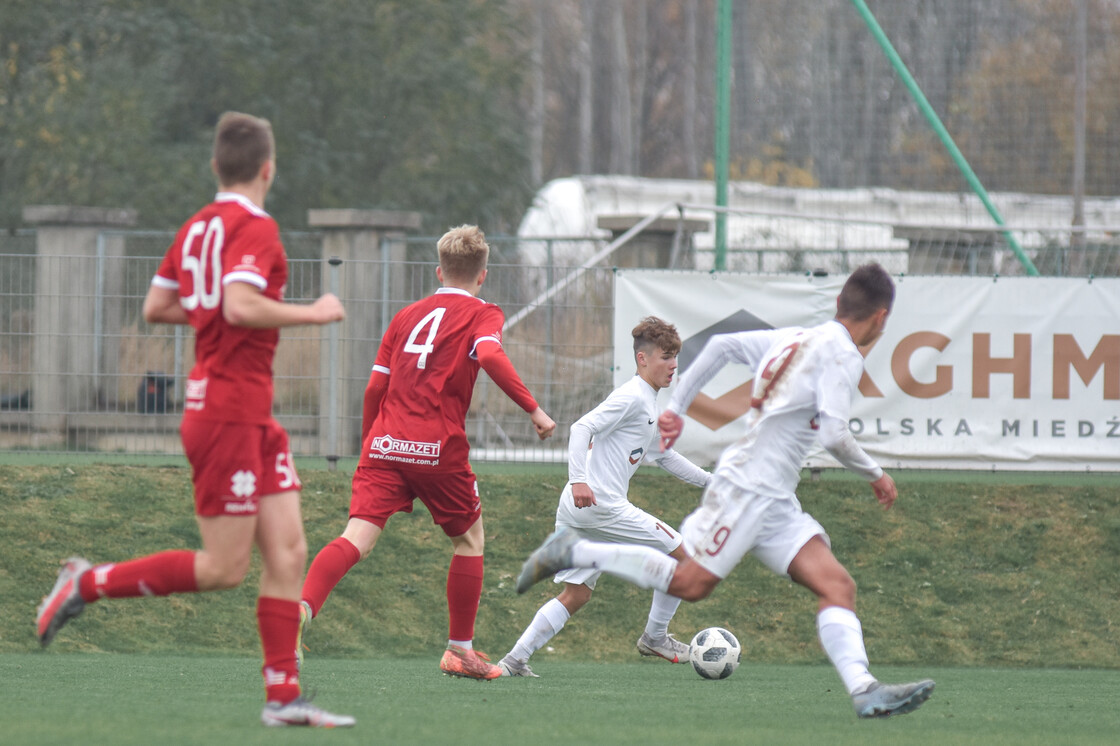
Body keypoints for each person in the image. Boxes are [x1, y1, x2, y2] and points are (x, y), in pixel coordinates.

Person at [35, 112, 355, 728]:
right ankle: (86, 581)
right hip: (225, 415)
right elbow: (237, 303)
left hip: (252, 416)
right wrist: (313, 313)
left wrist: (211, 314)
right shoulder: (256, 227)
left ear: (215, 166)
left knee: (288, 552)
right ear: (269, 168)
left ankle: (284, 698)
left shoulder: (196, 227)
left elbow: (156, 307)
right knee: (224, 569)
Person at [517, 264, 935, 718]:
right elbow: (834, 435)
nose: (671, 367)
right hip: (749, 488)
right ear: (881, 318)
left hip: (770, 493)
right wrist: (875, 473)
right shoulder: (843, 355)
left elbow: (722, 346)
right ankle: (598, 569)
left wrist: (678, 411)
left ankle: (864, 688)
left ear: (838, 304)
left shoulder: (794, 338)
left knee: (837, 584)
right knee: (688, 578)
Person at [298, 224, 556, 680]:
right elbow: (492, 357)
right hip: (437, 447)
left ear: (439, 271)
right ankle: (460, 650)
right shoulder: (483, 313)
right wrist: (534, 409)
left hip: (384, 443)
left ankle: (301, 608)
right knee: (469, 540)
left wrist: (369, 449)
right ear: (482, 276)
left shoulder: (406, 316)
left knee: (355, 537)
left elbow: (375, 387)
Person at [498, 316, 709, 677]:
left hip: (583, 508)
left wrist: (713, 482)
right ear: (643, 359)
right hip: (600, 506)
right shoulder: (632, 397)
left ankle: (514, 659)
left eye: (675, 357)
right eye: (665, 357)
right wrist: (579, 479)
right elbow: (581, 427)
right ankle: (655, 637)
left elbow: (664, 456)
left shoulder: (647, 404)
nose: (673, 365)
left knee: (577, 594)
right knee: (682, 557)